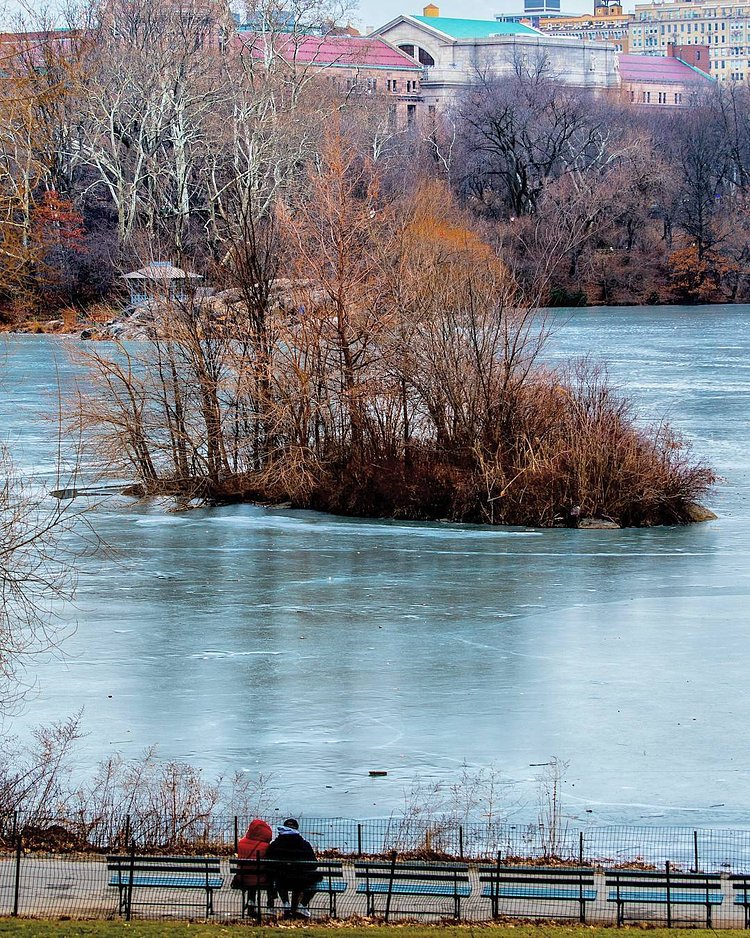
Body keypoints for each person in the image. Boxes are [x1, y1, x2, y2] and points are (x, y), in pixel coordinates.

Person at [264, 817, 320, 918]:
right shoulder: (304, 844)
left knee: (278, 876)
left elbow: (267, 862)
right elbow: (314, 864)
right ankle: (302, 905)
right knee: (317, 879)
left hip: (281, 880)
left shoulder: (275, 844)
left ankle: (286, 904)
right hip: (301, 880)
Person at [234, 818, 273, 915]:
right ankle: (270, 906)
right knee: (267, 875)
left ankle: (251, 902)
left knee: (251, 873)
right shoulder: (266, 846)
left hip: (242, 878)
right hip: (260, 879)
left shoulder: (241, 843)